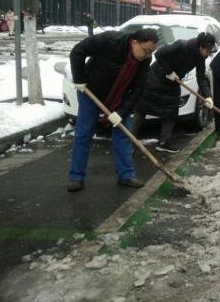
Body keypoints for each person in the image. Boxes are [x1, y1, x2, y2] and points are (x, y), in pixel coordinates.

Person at [67, 28, 159, 192]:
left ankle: (126, 175)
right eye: (146, 51)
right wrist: (79, 79)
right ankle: (76, 177)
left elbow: (139, 88)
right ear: (134, 42)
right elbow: (78, 51)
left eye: (151, 52)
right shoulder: (109, 40)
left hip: (119, 96)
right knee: (84, 133)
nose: (147, 55)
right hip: (91, 91)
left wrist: (121, 112)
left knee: (123, 133)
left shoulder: (145, 60)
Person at [132, 32, 217, 153]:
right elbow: (159, 53)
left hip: (172, 82)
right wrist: (169, 71)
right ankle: (129, 140)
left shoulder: (200, 57)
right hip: (155, 77)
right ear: (200, 46)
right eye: (207, 51)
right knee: (143, 107)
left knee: (171, 110)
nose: (208, 54)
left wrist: (208, 96)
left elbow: (201, 78)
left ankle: (164, 142)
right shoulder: (182, 45)